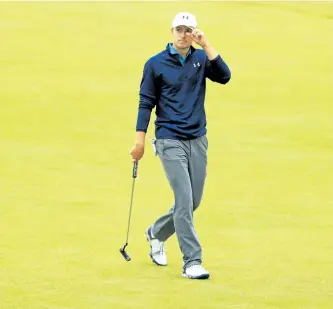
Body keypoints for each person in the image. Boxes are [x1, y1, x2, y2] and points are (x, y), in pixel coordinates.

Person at [130, 12, 231, 279]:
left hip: (197, 139)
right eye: (179, 29)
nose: (183, 34)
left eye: (188, 30)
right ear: (171, 31)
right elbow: (145, 103)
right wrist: (139, 141)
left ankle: (156, 232)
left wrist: (207, 45)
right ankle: (192, 262)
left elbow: (224, 76)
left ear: (194, 32)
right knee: (184, 200)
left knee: (193, 201)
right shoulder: (155, 63)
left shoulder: (200, 58)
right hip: (169, 139)